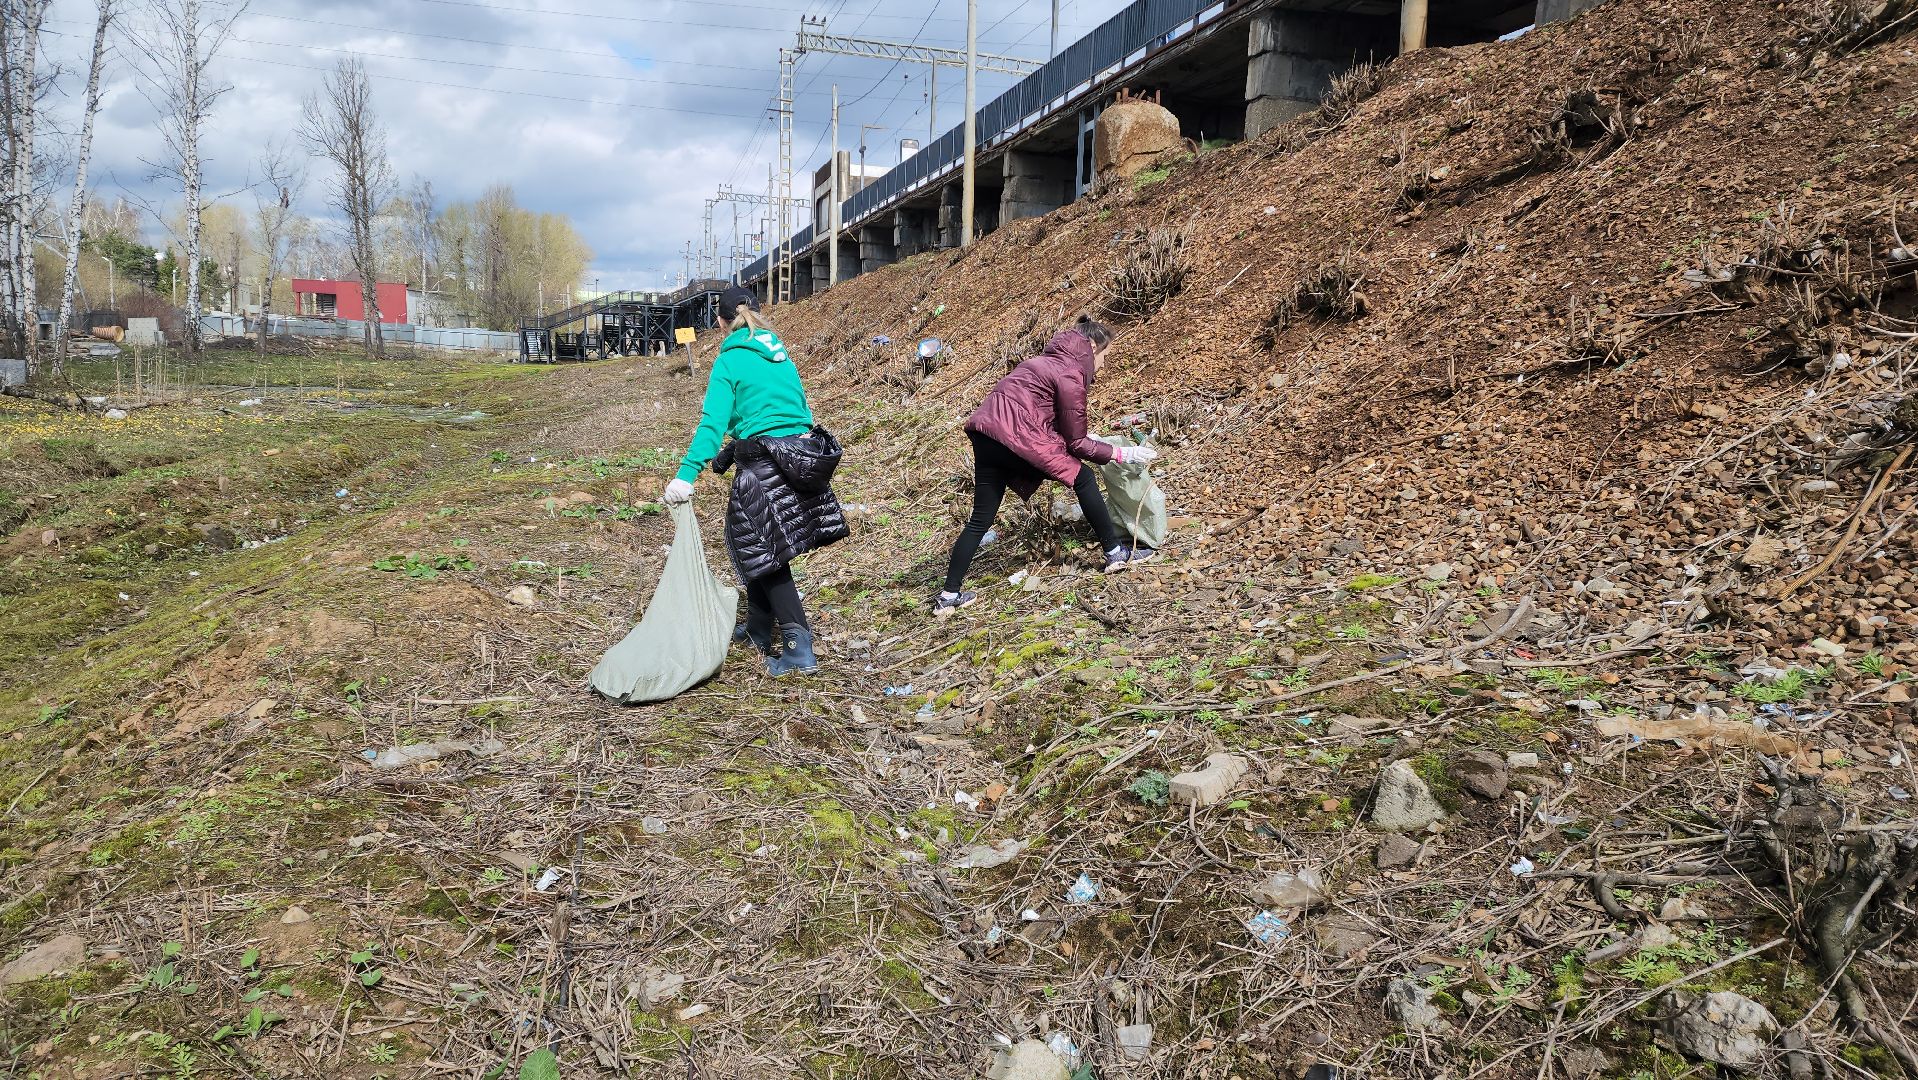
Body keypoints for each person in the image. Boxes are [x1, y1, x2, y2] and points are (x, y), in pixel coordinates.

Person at [663, 285, 847, 676]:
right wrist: (738, 446)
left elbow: (711, 422)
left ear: (720, 321)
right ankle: (761, 629)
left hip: (764, 464)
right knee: (758, 544)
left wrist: (686, 475)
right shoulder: (778, 354)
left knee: (765, 549)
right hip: (798, 455)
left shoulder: (730, 359)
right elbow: (793, 409)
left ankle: (798, 648)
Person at [936, 315, 1158, 614]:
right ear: (1091, 347)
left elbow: (1039, 416)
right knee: (1083, 478)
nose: (1102, 365)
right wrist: (1122, 454)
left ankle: (948, 596)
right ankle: (1115, 553)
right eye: (1104, 356)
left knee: (980, 520)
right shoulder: (1070, 372)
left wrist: (1081, 438)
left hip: (985, 435)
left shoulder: (1037, 363)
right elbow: (1076, 443)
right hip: (1014, 437)